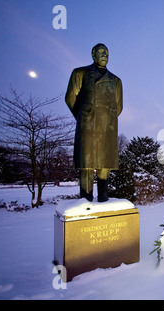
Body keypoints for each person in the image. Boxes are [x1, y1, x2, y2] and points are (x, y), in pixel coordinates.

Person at [65, 43, 123, 202]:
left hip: (107, 128)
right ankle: (86, 200)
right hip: (87, 127)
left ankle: (104, 198)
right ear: (93, 54)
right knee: (86, 164)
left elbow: (118, 106)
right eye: (101, 52)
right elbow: (70, 98)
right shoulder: (80, 73)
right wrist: (85, 115)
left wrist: (106, 118)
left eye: (107, 52)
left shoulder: (116, 80)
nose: (105, 55)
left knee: (105, 164)